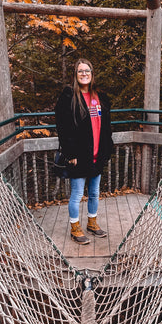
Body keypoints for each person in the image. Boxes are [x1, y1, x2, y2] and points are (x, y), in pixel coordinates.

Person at [55, 58, 114, 245]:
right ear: (76, 74)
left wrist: (107, 149)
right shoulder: (68, 98)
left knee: (95, 193)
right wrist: (70, 153)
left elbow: (106, 127)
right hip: (79, 156)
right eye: (80, 71)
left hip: (97, 154)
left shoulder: (99, 97)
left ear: (92, 73)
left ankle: (92, 223)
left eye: (87, 70)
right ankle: (75, 228)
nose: (84, 74)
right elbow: (63, 128)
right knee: (77, 194)